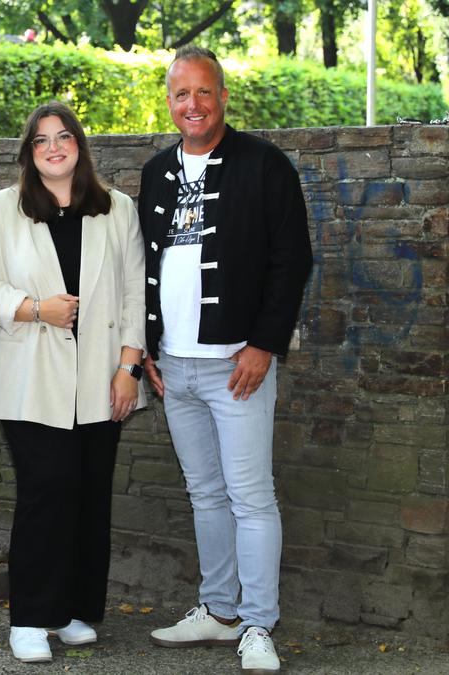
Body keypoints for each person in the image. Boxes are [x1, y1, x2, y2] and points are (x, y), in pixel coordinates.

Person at [139, 47, 312, 675]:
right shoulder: (157, 173)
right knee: (204, 494)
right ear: (169, 100)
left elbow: (291, 259)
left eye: (203, 92)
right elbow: (145, 271)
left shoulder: (264, 165)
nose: (193, 105)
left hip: (236, 366)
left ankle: (259, 622)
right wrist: (146, 349)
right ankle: (218, 609)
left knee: (250, 497)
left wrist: (264, 344)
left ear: (223, 96)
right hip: (174, 369)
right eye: (181, 94)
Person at [0, 102, 146, 663]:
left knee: (90, 494)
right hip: (31, 376)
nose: (53, 147)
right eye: (41, 139)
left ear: (79, 145)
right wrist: (32, 308)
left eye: (63, 136)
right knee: (46, 492)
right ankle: (30, 617)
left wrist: (129, 367)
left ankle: (71, 609)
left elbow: (136, 293)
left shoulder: (117, 209)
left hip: (103, 375)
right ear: (27, 152)